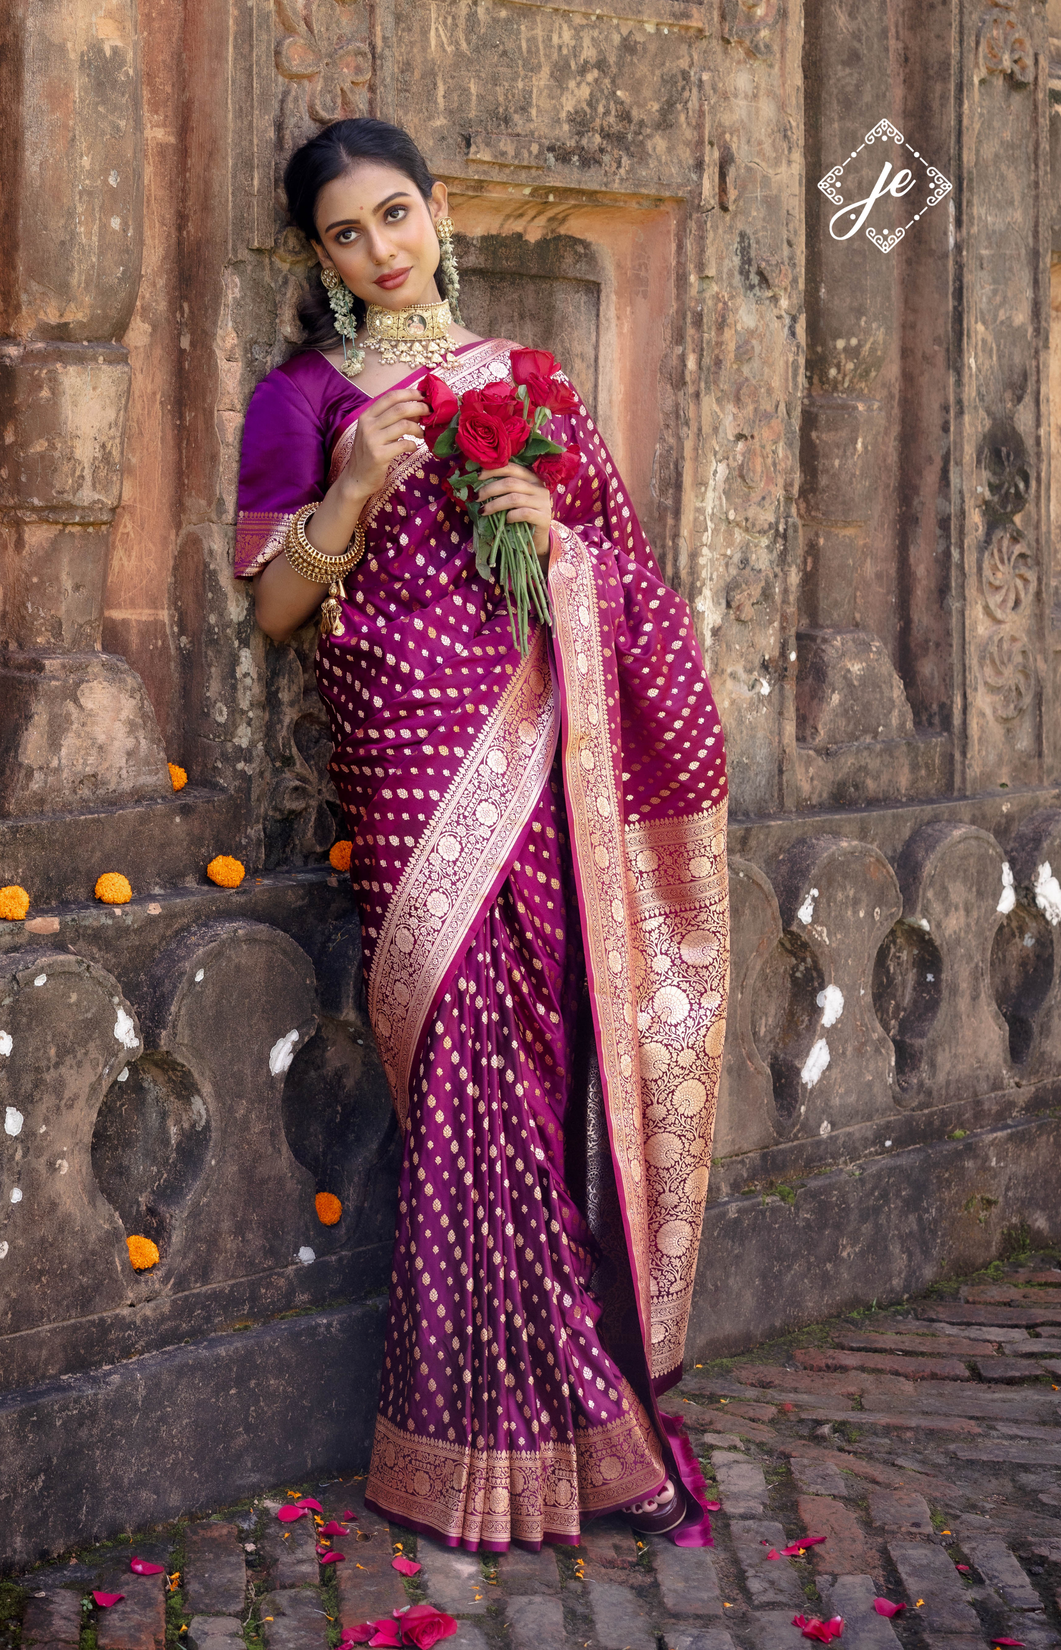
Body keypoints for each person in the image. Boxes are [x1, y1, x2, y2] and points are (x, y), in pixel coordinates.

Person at [235, 117, 730, 1554]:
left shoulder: (526, 379)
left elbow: (619, 581)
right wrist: (352, 487)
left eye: (398, 214)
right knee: (460, 1077)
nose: (383, 249)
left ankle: (560, 1424)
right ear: (318, 258)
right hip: (404, 772)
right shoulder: (302, 396)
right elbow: (275, 609)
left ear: (439, 213)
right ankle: (524, 1434)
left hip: (530, 763)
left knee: (528, 1066)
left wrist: (549, 526)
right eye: (348, 232)